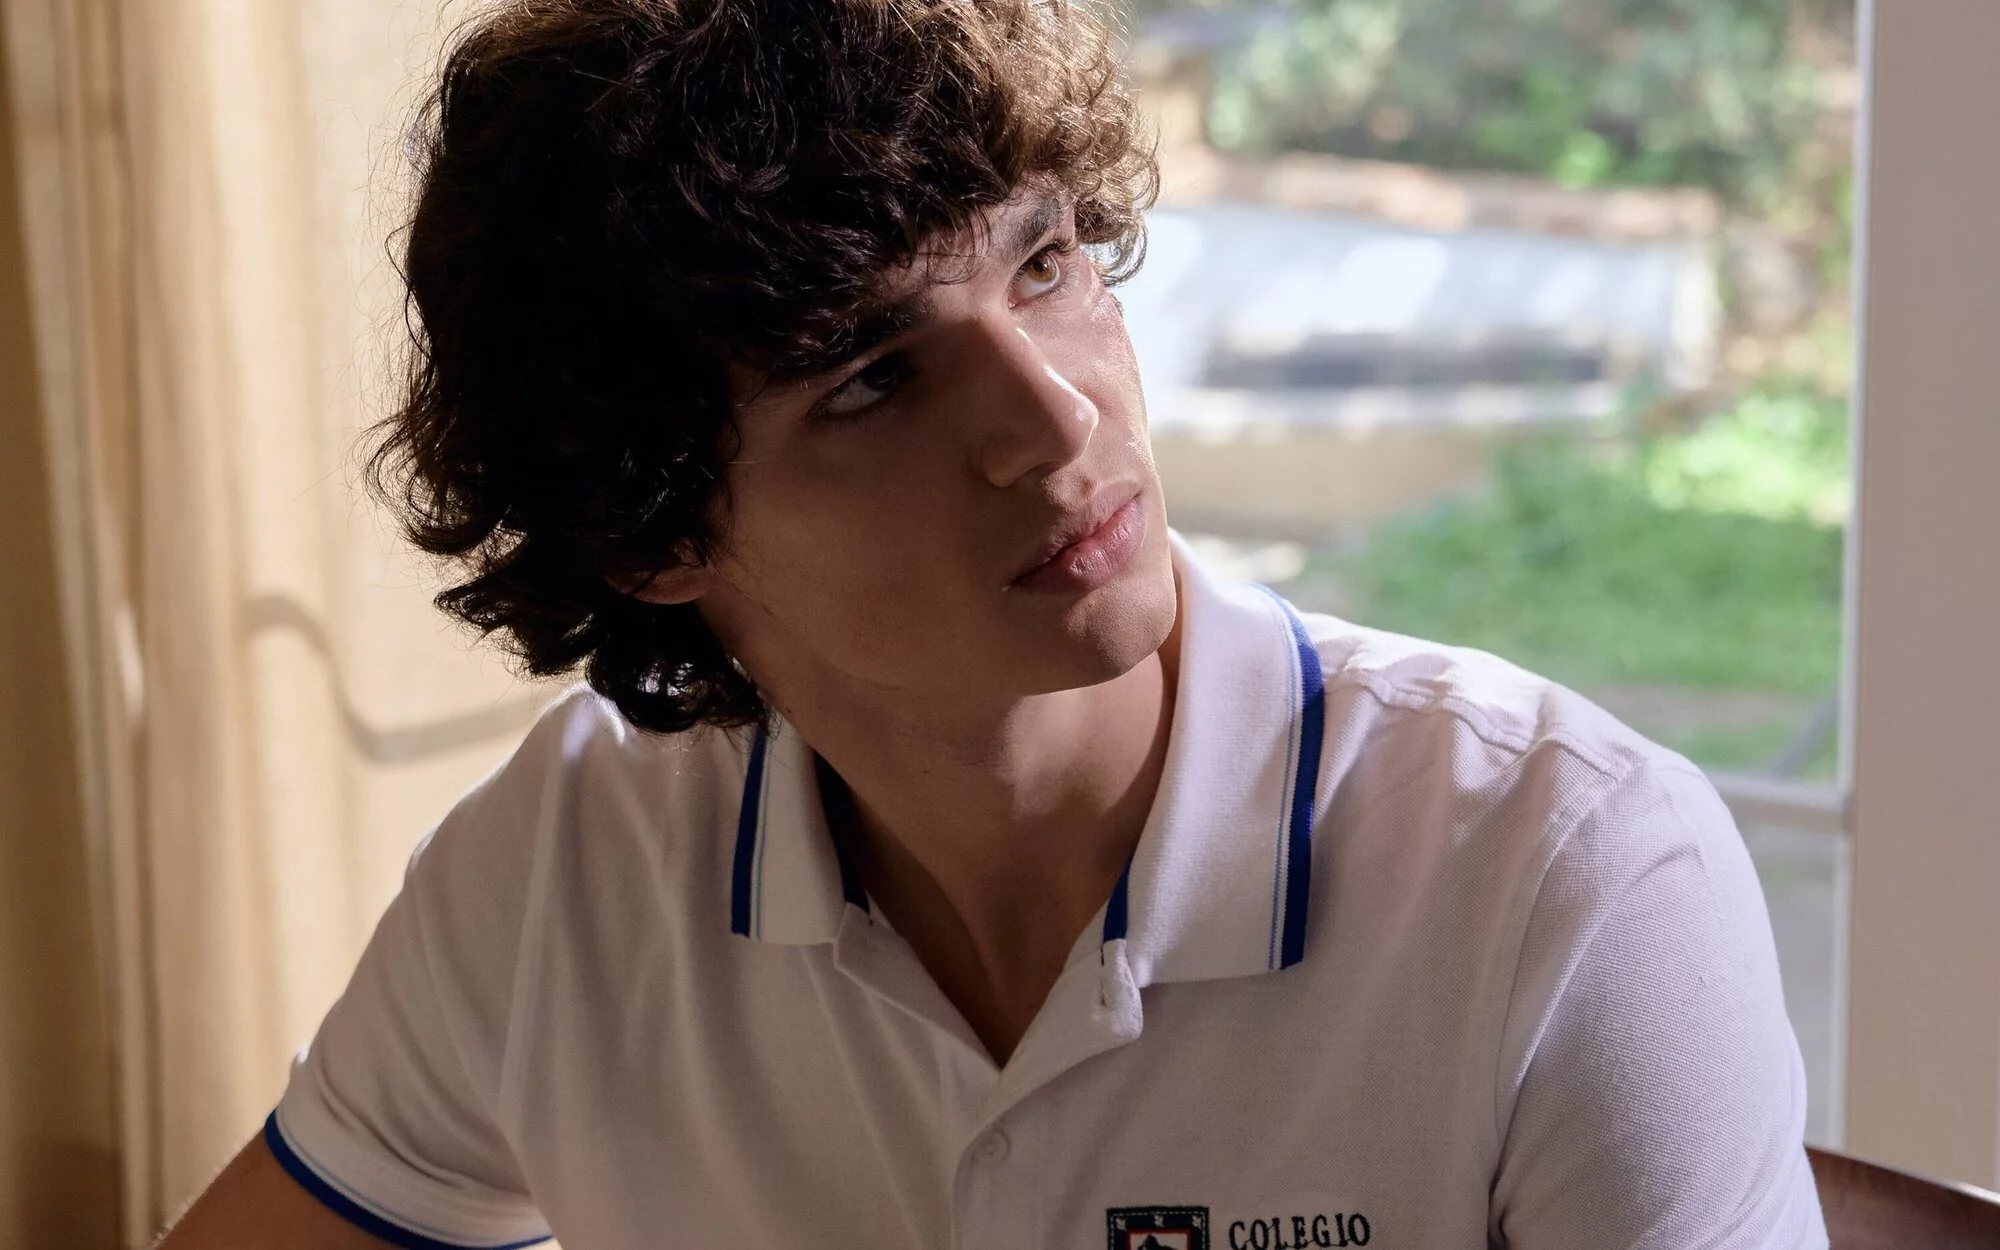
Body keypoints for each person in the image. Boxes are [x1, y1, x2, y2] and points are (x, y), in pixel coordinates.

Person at [160, 1, 1829, 1246]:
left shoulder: (1568, 874)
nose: (1056, 418)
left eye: (1044, 266)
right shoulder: (564, 876)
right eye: (875, 378)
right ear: (652, 526)